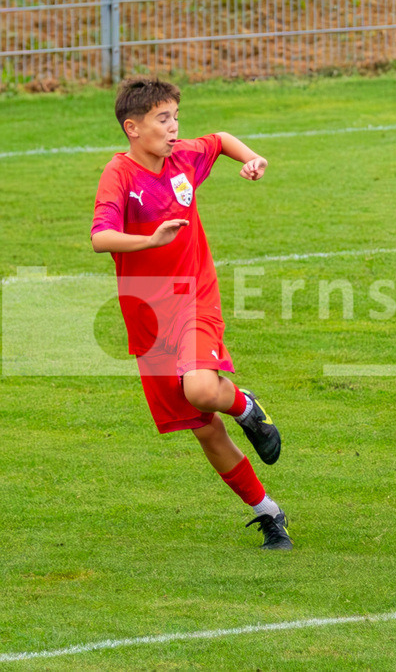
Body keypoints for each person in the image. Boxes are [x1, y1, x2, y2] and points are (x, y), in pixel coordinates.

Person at [91, 77, 291, 550]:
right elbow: (101, 237)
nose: (174, 127)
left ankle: (243, 404)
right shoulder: (118, 175)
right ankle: (269, 514)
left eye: (176, 117)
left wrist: (252, 158)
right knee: (204, 429)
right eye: (164, 119)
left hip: (194, 298)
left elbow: (220, 141)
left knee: (202, 389)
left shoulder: (182, 159)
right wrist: (150, 240)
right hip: (147, 321)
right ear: (133, 127)